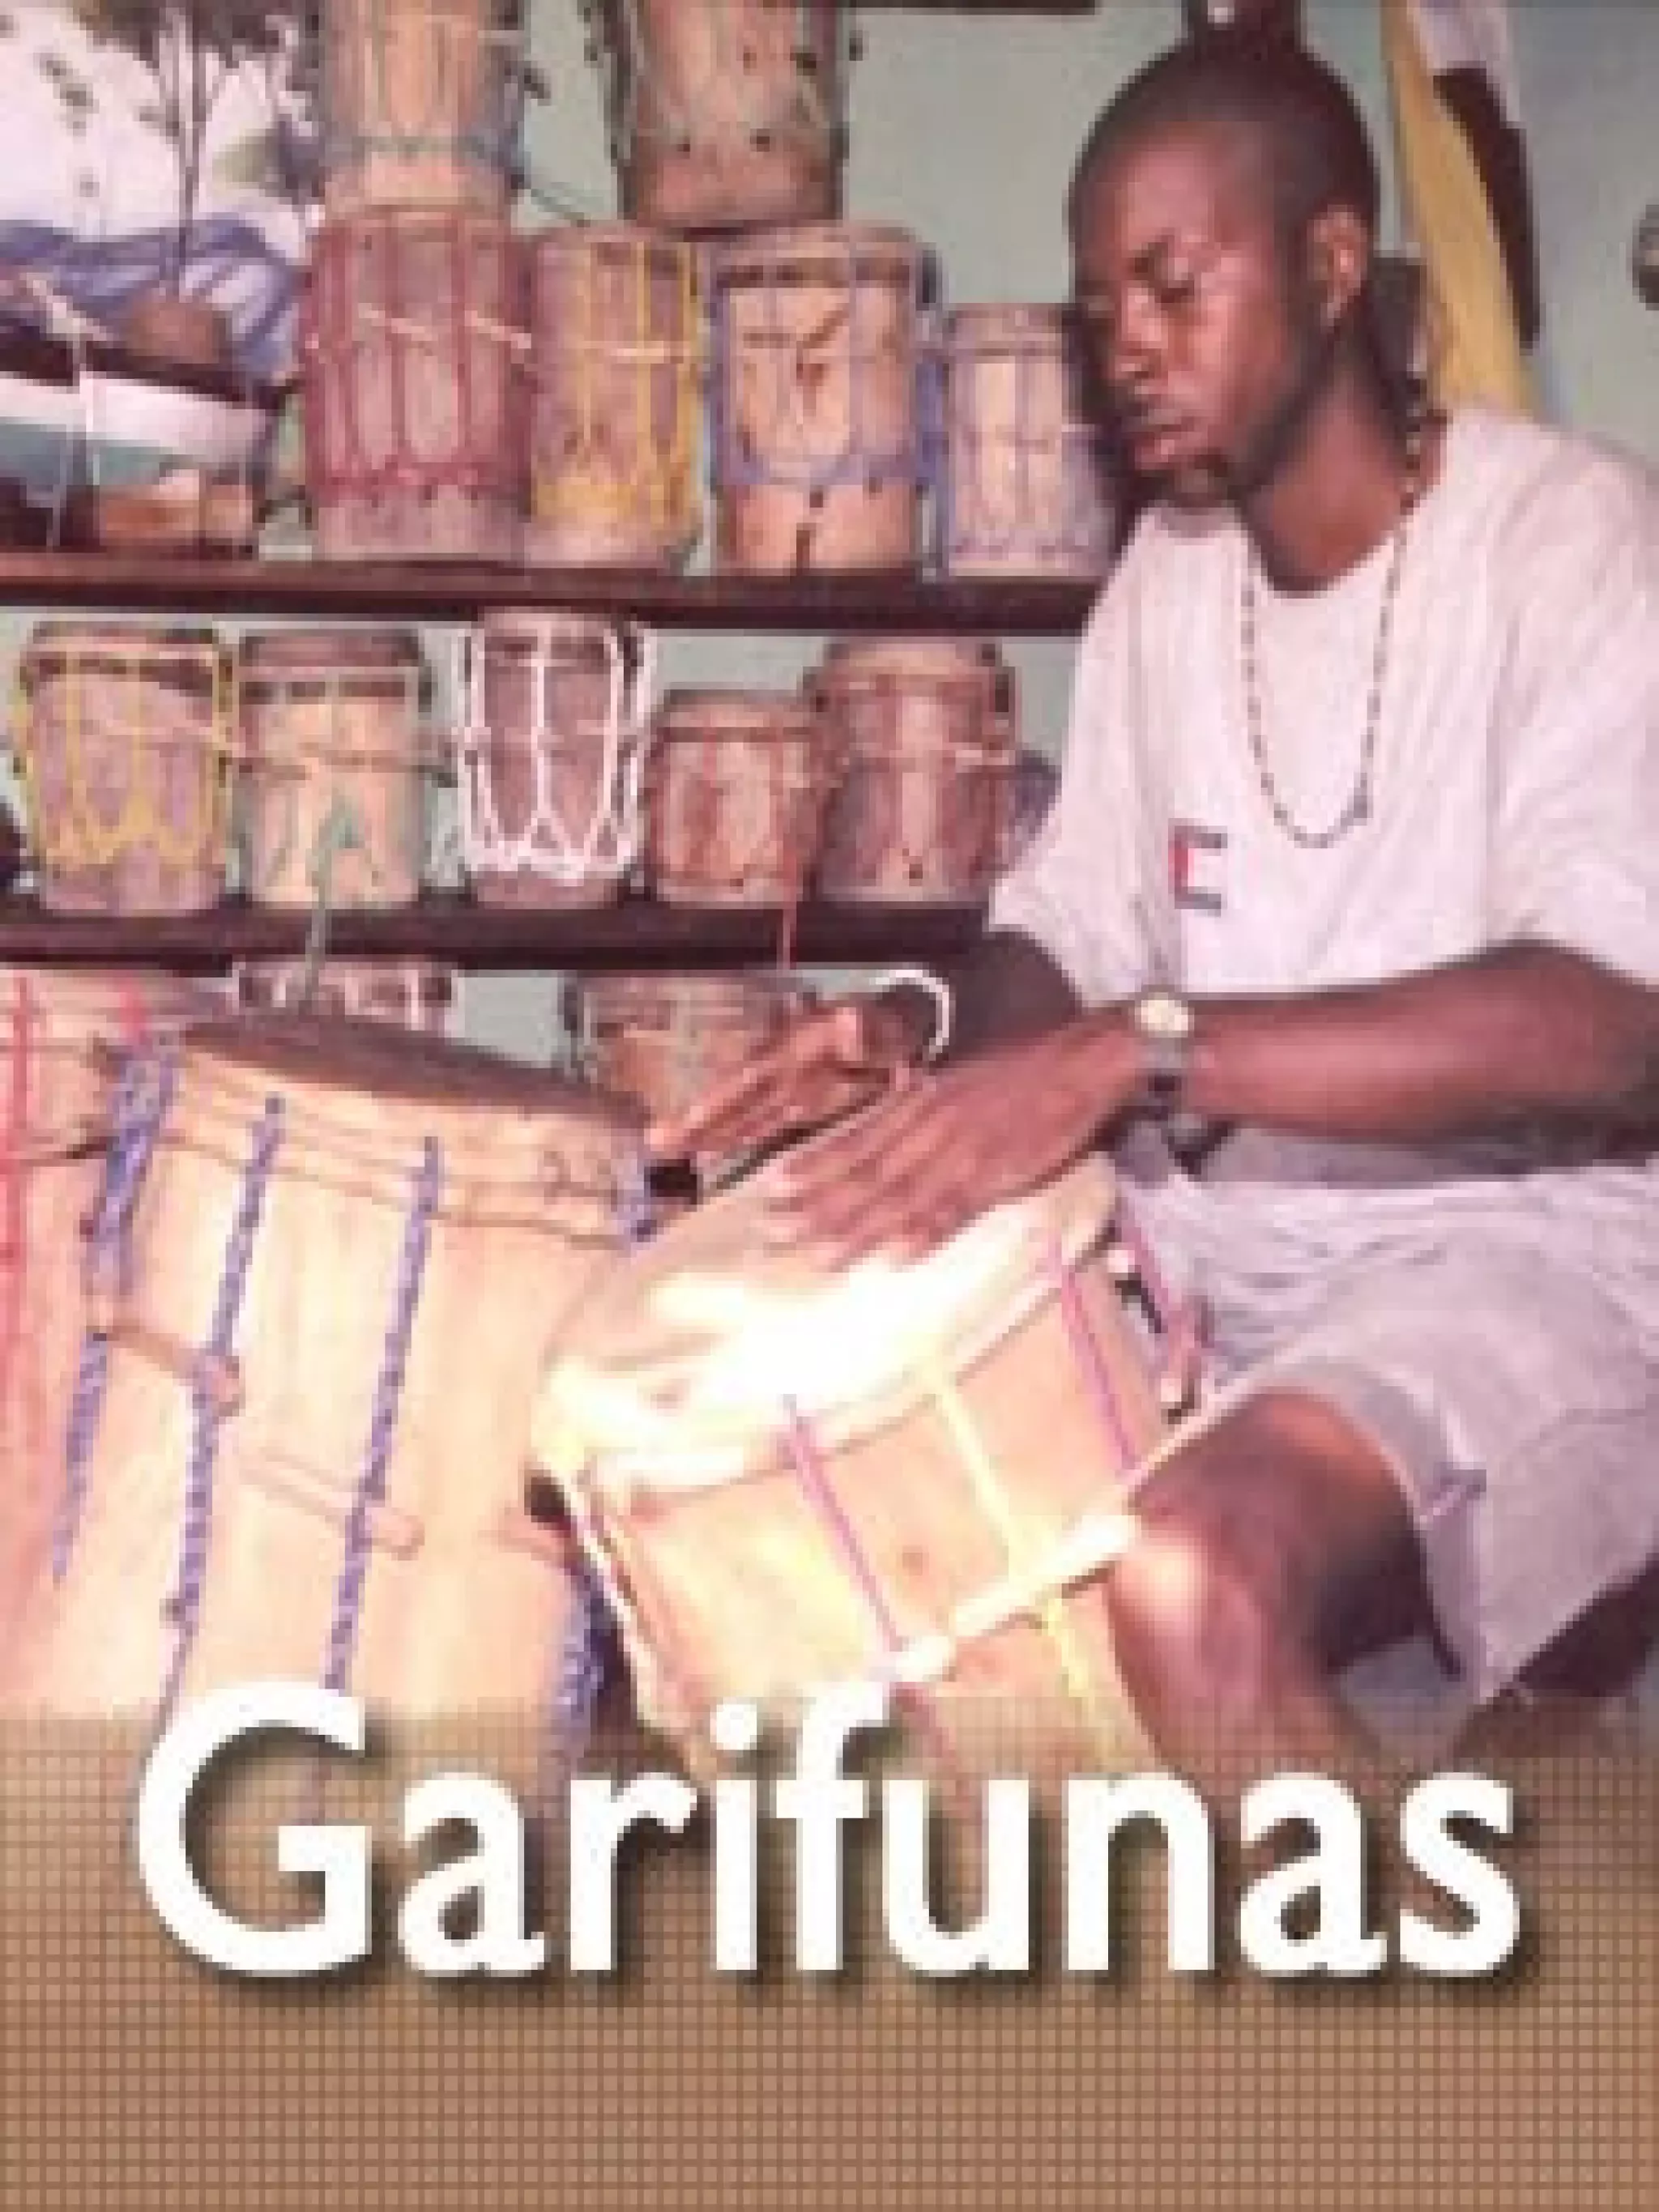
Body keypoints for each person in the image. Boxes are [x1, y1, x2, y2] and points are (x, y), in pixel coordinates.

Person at [649, 32, 1659, 1774]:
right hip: (1219, 1269)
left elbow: (1607, 1024)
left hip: (1527, 1267)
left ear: (1331, 265)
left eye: (1175, 286)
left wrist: (1146, 1049)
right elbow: (1071, 937)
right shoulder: (1167, 585)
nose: (1125, 343)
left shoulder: (1568, 540)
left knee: (1190, 1580)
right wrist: (914, 1026)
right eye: (1101, 301)